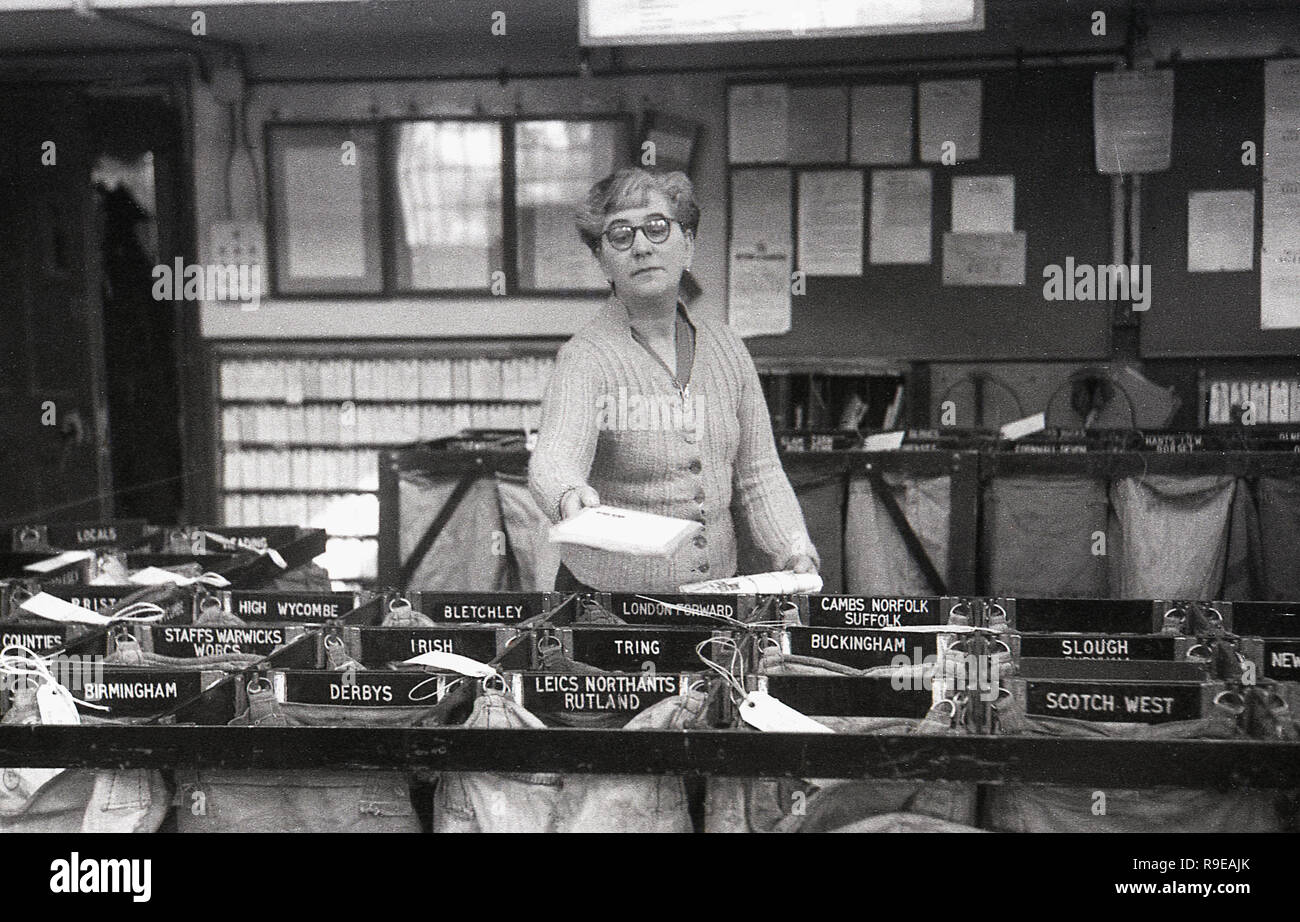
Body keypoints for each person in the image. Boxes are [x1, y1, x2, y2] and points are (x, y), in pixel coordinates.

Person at [528, 167, 819, 593]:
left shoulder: (727, 347)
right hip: (611, 605)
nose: (641, 246)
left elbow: (760, 472)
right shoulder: (585, 358)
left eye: (657, 228)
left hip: (716, 596)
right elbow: (553, 458)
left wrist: (794, 548)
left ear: (688, 245)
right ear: (602, 261)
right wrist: (569, 497)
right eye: (620, 235)